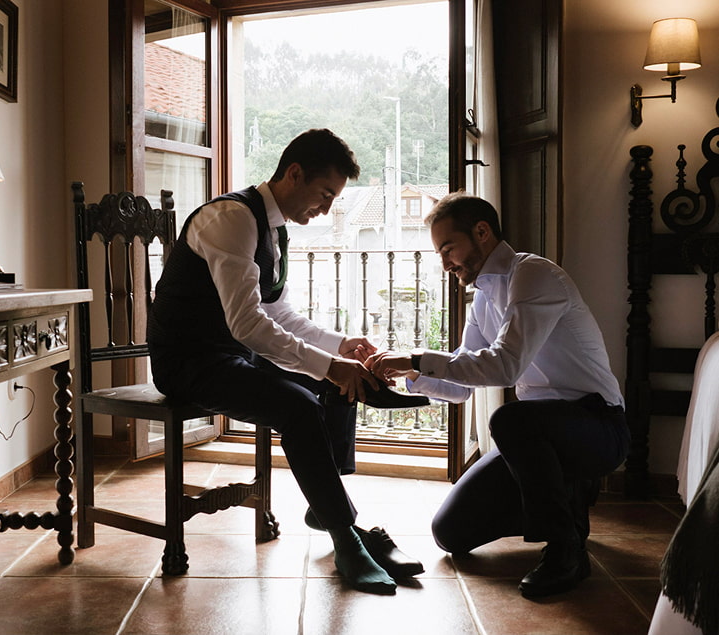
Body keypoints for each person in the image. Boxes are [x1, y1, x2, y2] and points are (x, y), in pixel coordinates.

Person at [147, 128, 425, 595]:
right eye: (325, 194)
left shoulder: (273, 229)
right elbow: (247, 324)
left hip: (233, 354)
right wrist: (326, 364)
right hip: (188, 362)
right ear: (294, 173)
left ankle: (327, 508)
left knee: (338, 383)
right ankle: (346, 538)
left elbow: (278, 313)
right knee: (299, 405)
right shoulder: (232, 219)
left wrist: (340, 347)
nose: (327, 209)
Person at [366, 192, 630, 598]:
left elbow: (505, 367)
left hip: (598, 426)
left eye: (448, 249)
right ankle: (567, 501)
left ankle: (566, 551)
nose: (445, 263)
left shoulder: (535, 274)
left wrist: (418, 357)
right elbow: (461, 388)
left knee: (509, 419)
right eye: (440, 254)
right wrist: (409, 373)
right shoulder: (483, 301)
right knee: (450, 532)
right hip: (538, 436)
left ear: (482, 232)